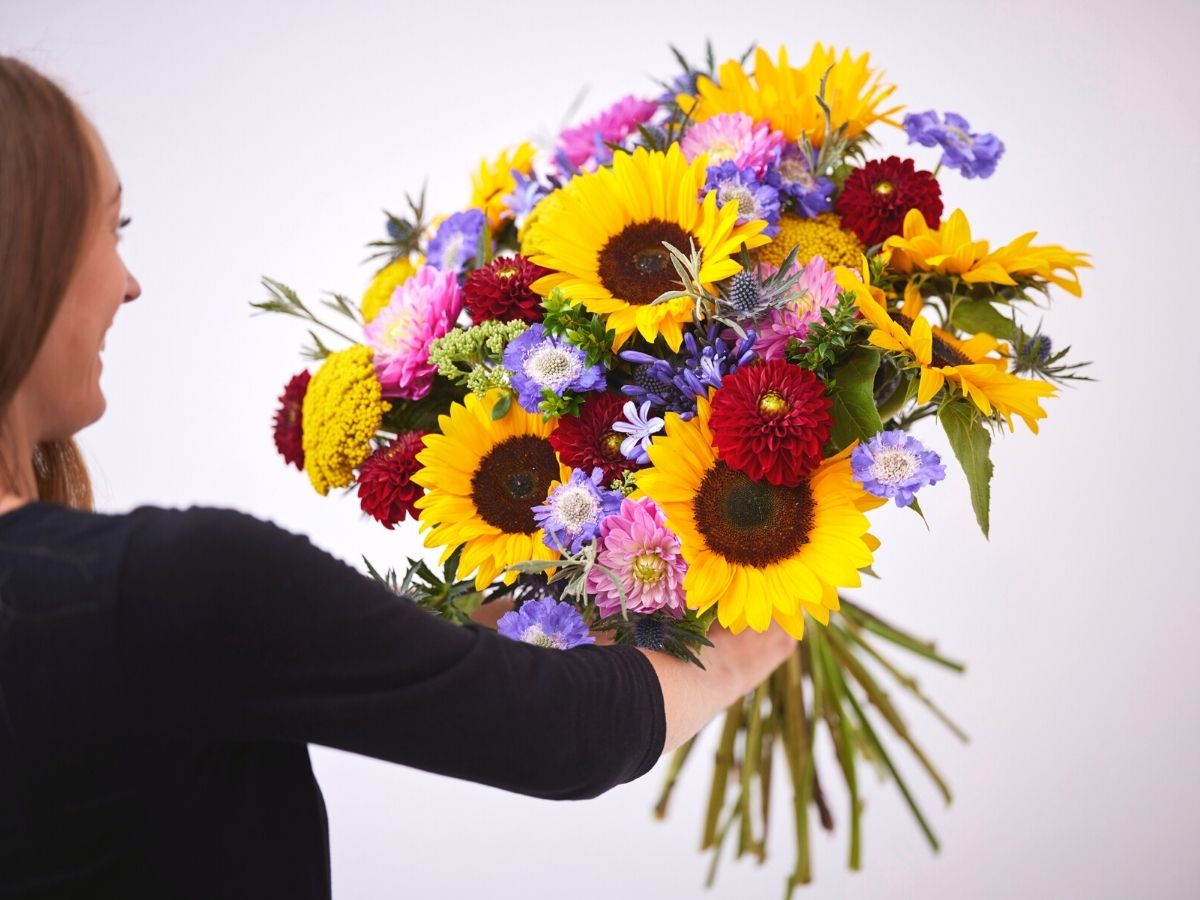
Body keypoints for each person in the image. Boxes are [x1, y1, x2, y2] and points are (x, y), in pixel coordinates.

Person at [0, 56, 797, 898]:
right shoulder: (166, 587)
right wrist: (754, 639)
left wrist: (507, 610)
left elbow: (227, 656)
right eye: (112, 229)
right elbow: (564, 731)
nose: (128, 285)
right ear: (26, 255)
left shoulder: (122, 607)